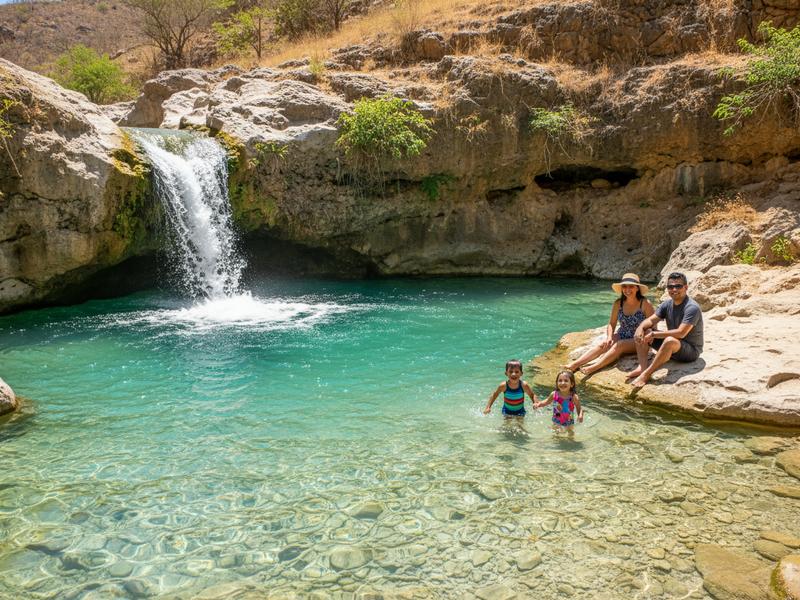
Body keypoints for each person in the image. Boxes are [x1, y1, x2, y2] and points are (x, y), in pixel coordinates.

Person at [565, 273, 655, 376]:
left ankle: (594, 367)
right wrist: (609, 337)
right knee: (603, 345)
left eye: (631, 286)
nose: (627, 289)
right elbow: (611, 324)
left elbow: (653, 324)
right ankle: (575, 364)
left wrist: (647, 336)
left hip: (639, 340)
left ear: (637, 288)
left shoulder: (645, 303)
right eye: (624, 286)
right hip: (622, 334)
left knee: (619, 345)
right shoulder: (618, 303)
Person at [629, 272, 704, 389]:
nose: (674, 289)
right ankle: (643, 367)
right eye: (670, 287)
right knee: (644, 330)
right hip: (673, 348)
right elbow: (650, 320)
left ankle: (646, 374)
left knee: (668, 340)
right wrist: (640, 328)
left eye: (678, 286)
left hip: (691, 351)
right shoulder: (667, 304)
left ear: (686, 287)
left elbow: (681, 333)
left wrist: (654, 334)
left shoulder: (691, 307)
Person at [534, 370, 584, 436]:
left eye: (566, 381)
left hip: (569, 421)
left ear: (571, 384)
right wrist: (538, 404)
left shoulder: (573, 396)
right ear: (557, 383)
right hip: (556, 420)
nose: (562, 383)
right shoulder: (554, 394)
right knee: (555, 435)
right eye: (560, 380)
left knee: (570, 434)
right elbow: (546, 402)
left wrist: (580, 415)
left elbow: (579, 408)